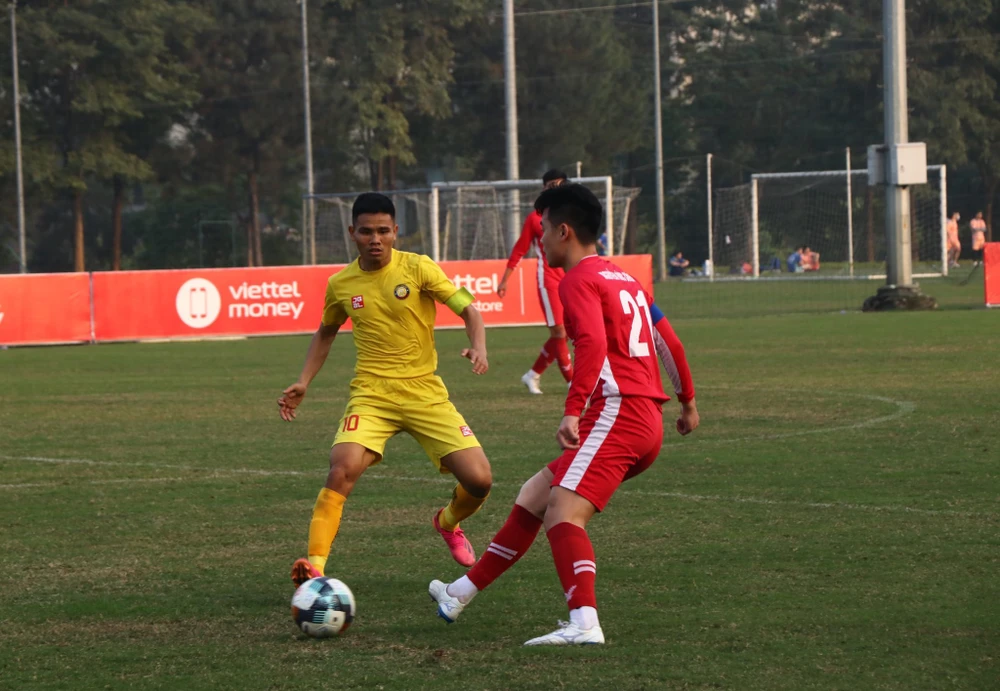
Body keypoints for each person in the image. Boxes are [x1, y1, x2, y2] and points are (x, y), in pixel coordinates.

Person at [428, 184, 700, 646]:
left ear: (564, 231)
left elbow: (591, 343)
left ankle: (583, 623)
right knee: (536, 494)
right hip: (643, 418)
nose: (543, 242)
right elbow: (668, 341)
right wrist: (687, 400)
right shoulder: (625, 279)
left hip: (617, 413)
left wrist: (572, 410)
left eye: (546, 233)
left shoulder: (577, 280)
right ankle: (459, 593)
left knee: (563, 514)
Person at [278, 192, 494, 587]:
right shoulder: (341, 284)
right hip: (372, 394)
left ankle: (447, 522)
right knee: (341, 468)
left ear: (395, 231)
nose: (375, 238)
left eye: (383, 230)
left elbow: (469, 309)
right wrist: (303, 381)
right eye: (366, 231)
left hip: (425, 392)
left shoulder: (420, 268)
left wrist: (478, 344)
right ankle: (315, 569)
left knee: (480, 481)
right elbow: (325, 333)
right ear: (352, 233)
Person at [496, 169, 573, 395]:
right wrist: (504, 281)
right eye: (551, 185)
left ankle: (532, 375)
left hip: (570, 278)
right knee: (559, 331)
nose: (555, 189)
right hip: (548, 279)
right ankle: (573, 382)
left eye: (559, 184)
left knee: (564, 333)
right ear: (544, 188)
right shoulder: (535, 219)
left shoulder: (570, 214)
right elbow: (520, 249)